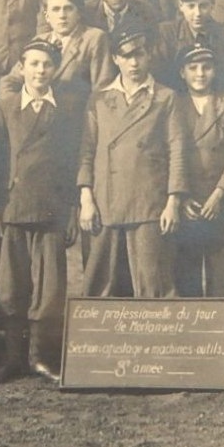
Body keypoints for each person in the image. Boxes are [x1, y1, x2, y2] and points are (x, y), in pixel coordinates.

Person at [0, 37, 89, 383]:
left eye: (47, 64)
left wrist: (73, 209)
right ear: (22, 67)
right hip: (13, 206)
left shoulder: (70, 109)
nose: (40, 71)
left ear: (56, 68)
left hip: (52, 208)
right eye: (33, 63)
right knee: (12, 285)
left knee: (49, 288)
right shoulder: (5, 105)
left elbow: (76, 160)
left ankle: (39, 357)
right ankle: (13, 358)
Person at [77, 24, 190, 300]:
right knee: (99, 284)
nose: (134, 62)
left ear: (149, 55)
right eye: (126, 56)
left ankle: (157, 342)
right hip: (105, 203)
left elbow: (177, 150)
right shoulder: (99, 98)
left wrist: (173, 201)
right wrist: (86, 199)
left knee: (154, 284)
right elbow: (87, 152)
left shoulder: (165, 97)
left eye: (139, 54)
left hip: (149, 203)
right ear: (115, 59)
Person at [171, 42, 224, 367]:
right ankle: (194, 359)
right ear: (183, 72)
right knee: (188, 278)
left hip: (221, 206)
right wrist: (182, 195)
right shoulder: (173, 105)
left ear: (214, 70)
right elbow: (168, 152)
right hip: (188, 206)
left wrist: (221, 193)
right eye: (193, 67)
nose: (200, 73)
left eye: (206, 66)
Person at [22, 0, 113, 92]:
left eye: (68, 8)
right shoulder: (39, 41)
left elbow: (102, 90)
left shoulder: (94, 39)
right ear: (47, 16)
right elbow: (10, 81)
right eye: (56, 9)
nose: (62, 15)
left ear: (78, 13)